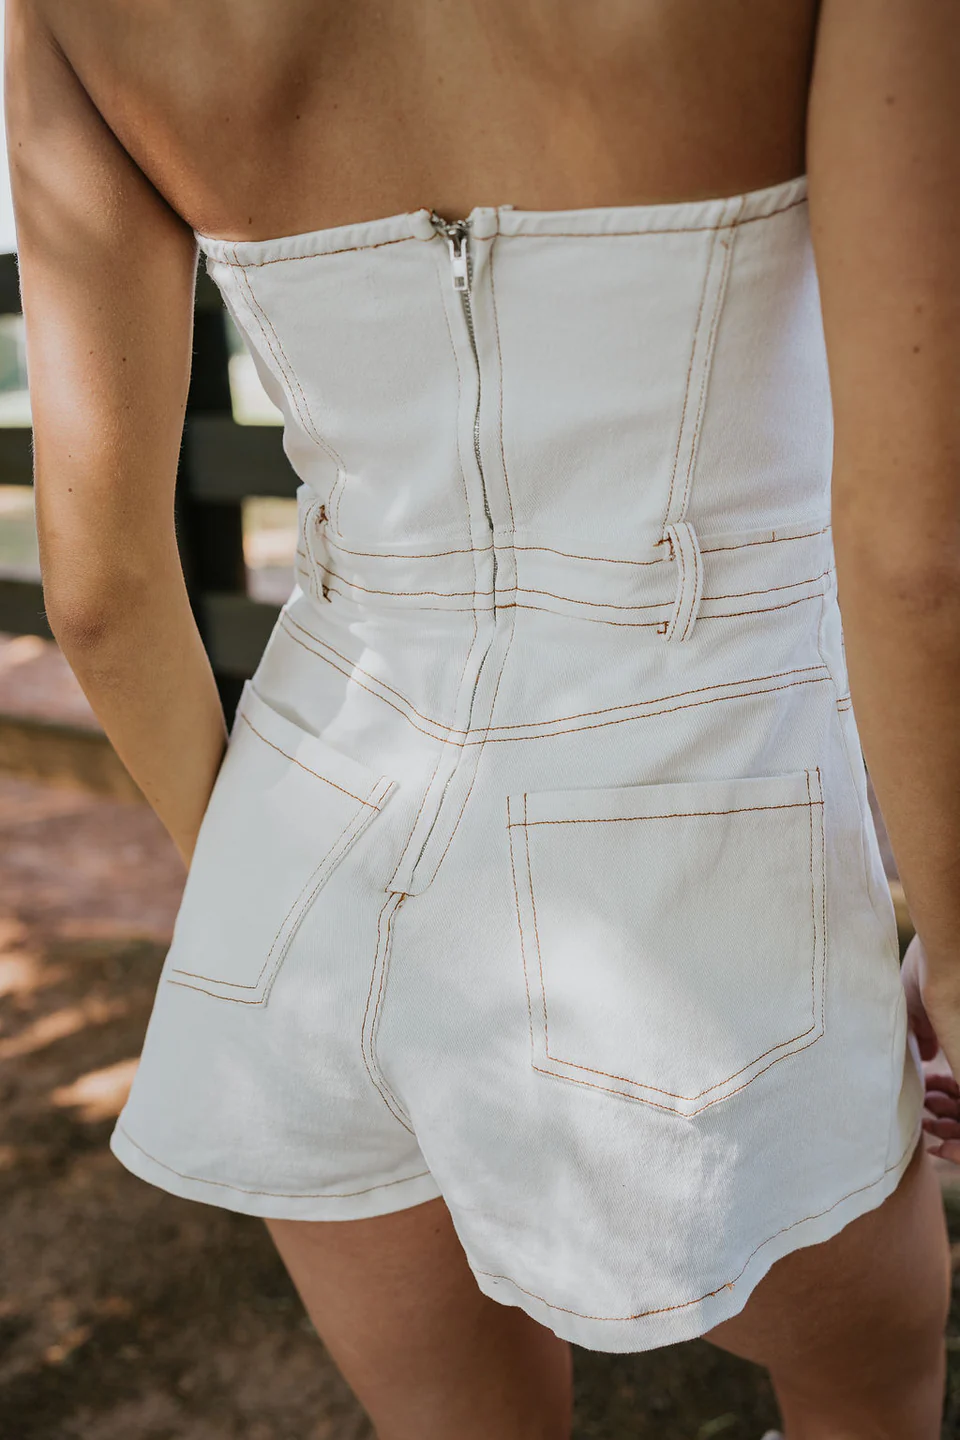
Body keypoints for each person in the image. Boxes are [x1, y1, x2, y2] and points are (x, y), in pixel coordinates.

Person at [7, 2, 959, 1435]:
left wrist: (270, 892)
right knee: (866, 1390)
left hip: (314, 815)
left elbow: (100, 590)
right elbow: (915, 559)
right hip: (698, 834)